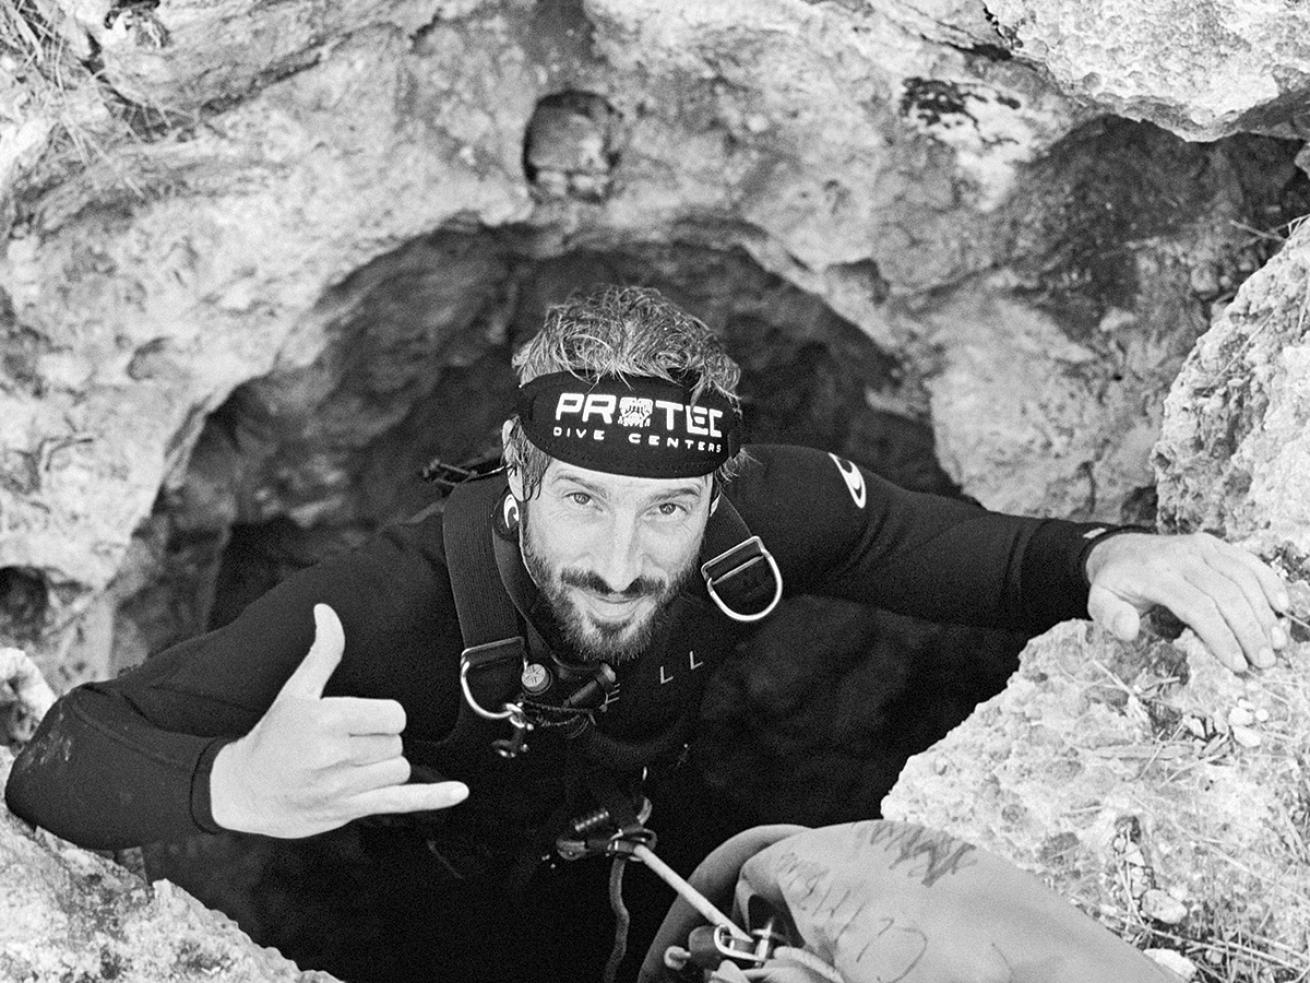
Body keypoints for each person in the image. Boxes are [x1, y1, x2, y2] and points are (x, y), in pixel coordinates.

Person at [4, 286, 1291, 982]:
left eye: (666, 510)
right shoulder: (384, 606)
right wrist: (231, 783)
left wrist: (1106, 556)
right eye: (582, 500)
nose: (620, 563)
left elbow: (984, 555)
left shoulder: (771, 513)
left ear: (721, 487)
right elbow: (64, 753)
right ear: (515, 469)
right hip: (445, 904)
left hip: (645, 847)